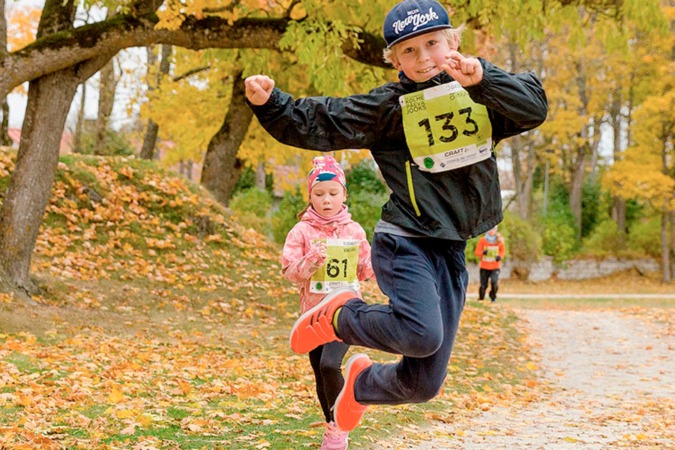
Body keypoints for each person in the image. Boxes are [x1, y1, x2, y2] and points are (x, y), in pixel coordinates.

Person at [245, 0, 548, 434]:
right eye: (409, 51)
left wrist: (483, 78)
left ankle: (360, 385)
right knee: (422, 334)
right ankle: (337, 316)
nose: (424, 58)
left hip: (449, 247)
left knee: (422, 383)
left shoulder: (479, 93)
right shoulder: (389, 108)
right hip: (404, 240)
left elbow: (533, 107)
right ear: (394, 59)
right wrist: (272, 104)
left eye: (433, 44)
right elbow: (324, 119)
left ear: (453, 42)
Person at [281, 155, 374, 450]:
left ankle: (340, 427)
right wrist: (310, 262)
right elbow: (290, 272)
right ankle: (334, 429)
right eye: (319, 194)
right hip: (313, 317)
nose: (326, 200)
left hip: (346, 311)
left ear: (344, 195)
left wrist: (384, 263)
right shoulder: (301, 232)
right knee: (320, 371)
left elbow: (367, 270)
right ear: (310, 196)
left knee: (330, 363)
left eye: (333, 193)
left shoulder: (354, 231)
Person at [474, 226, 506, 302]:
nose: (491, 231)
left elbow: (503, 252)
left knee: (494, 282)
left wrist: (499, 257)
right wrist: (483, 252)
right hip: (484, 266)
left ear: (496, 230)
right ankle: (481, 299)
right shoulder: (482, 240)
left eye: (493, 229)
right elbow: (477, 252)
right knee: (483, 285)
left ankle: (493, 297)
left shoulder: (499, 240)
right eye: (489, 229)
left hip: (495, 266)